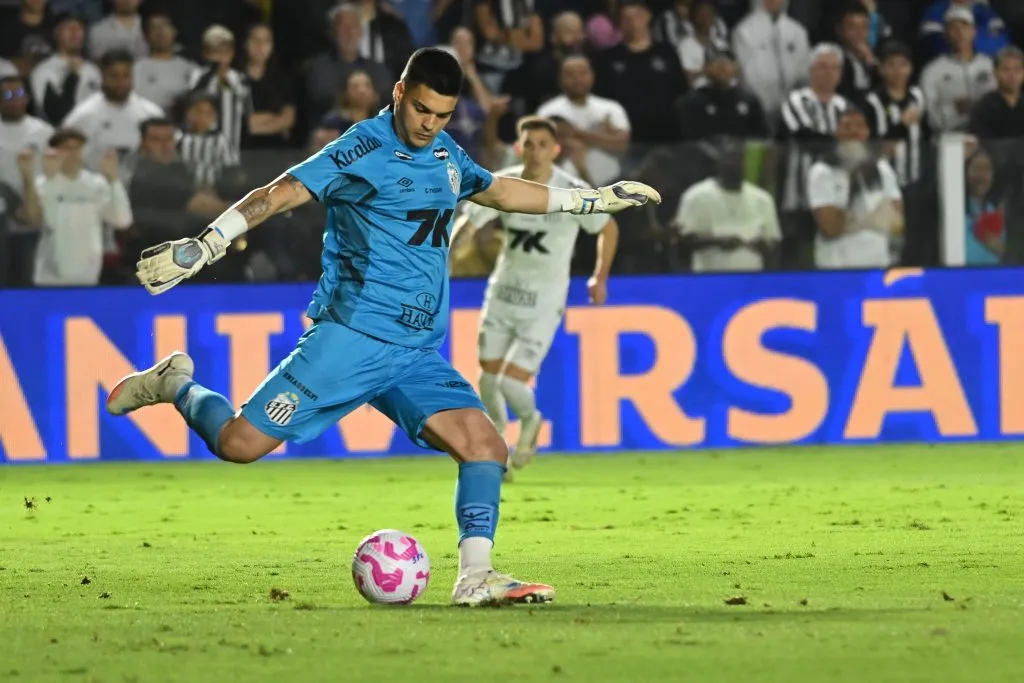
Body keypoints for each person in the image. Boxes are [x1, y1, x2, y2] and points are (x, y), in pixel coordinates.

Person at [105, 48, 659, 607]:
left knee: (485, 444)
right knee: (239, 444)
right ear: (398, 93)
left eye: (442, 114)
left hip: (415, 349)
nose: (429, 124)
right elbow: (280, 193)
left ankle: (476, 577)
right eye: (421, 109)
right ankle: (175, 383)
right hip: (353, 337)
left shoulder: (445, 151)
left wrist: (590, 201)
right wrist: (209, 243)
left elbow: (499, 190)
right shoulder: (361, 148)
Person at [448, 116, 619, 481]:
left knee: (511, 383)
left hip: (543, 302)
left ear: (555, 150)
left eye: (544, 144)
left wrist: (599, 277)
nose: (536, 151)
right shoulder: (503, 184)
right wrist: (447, 259)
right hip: (502, 293)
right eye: (529, 144)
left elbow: (608, 226)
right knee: (487, 381)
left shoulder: (572, 192)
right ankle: (498, 448)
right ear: (518, 147)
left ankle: (530, 421)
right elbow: (470, 222)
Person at [808, 106, 903, 269]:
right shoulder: (822, 172)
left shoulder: (882, 168)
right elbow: (832, 228)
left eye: (859, 126)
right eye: (846, 126)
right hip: (836, 267)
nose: (853, 132)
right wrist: (871, 218)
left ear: (867, 132)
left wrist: (853, 223)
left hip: (878, 265)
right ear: (836, 132)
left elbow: (896, 223)